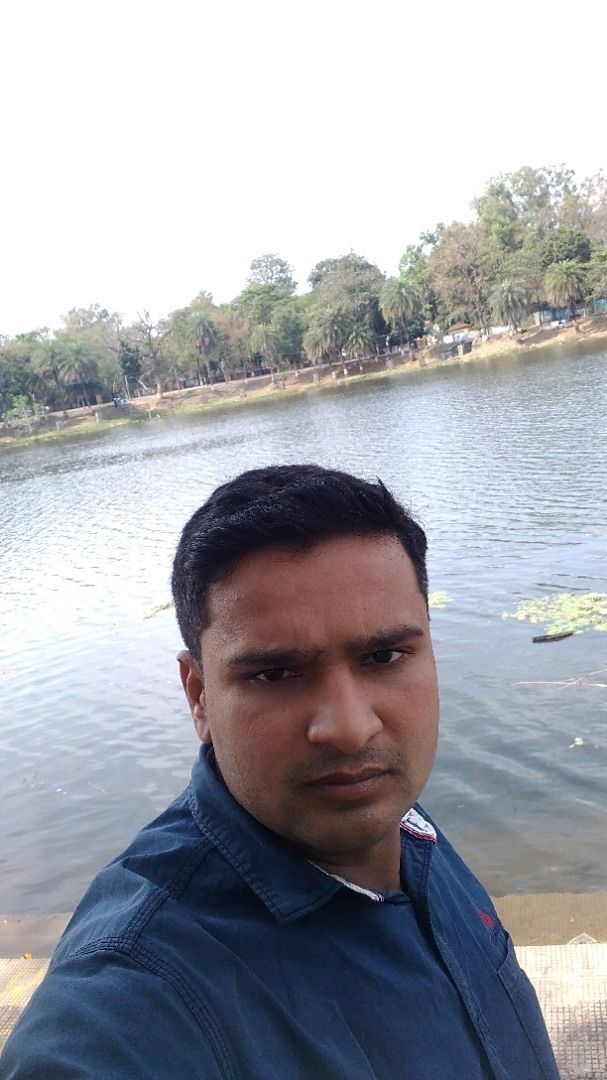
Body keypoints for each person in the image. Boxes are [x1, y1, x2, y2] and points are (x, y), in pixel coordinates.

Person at [1, 465, 559, 1079]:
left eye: (384, 656)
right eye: (274, 674)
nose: (350, 729)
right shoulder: (135, 1001)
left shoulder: (401, 823)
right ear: (199, 696)